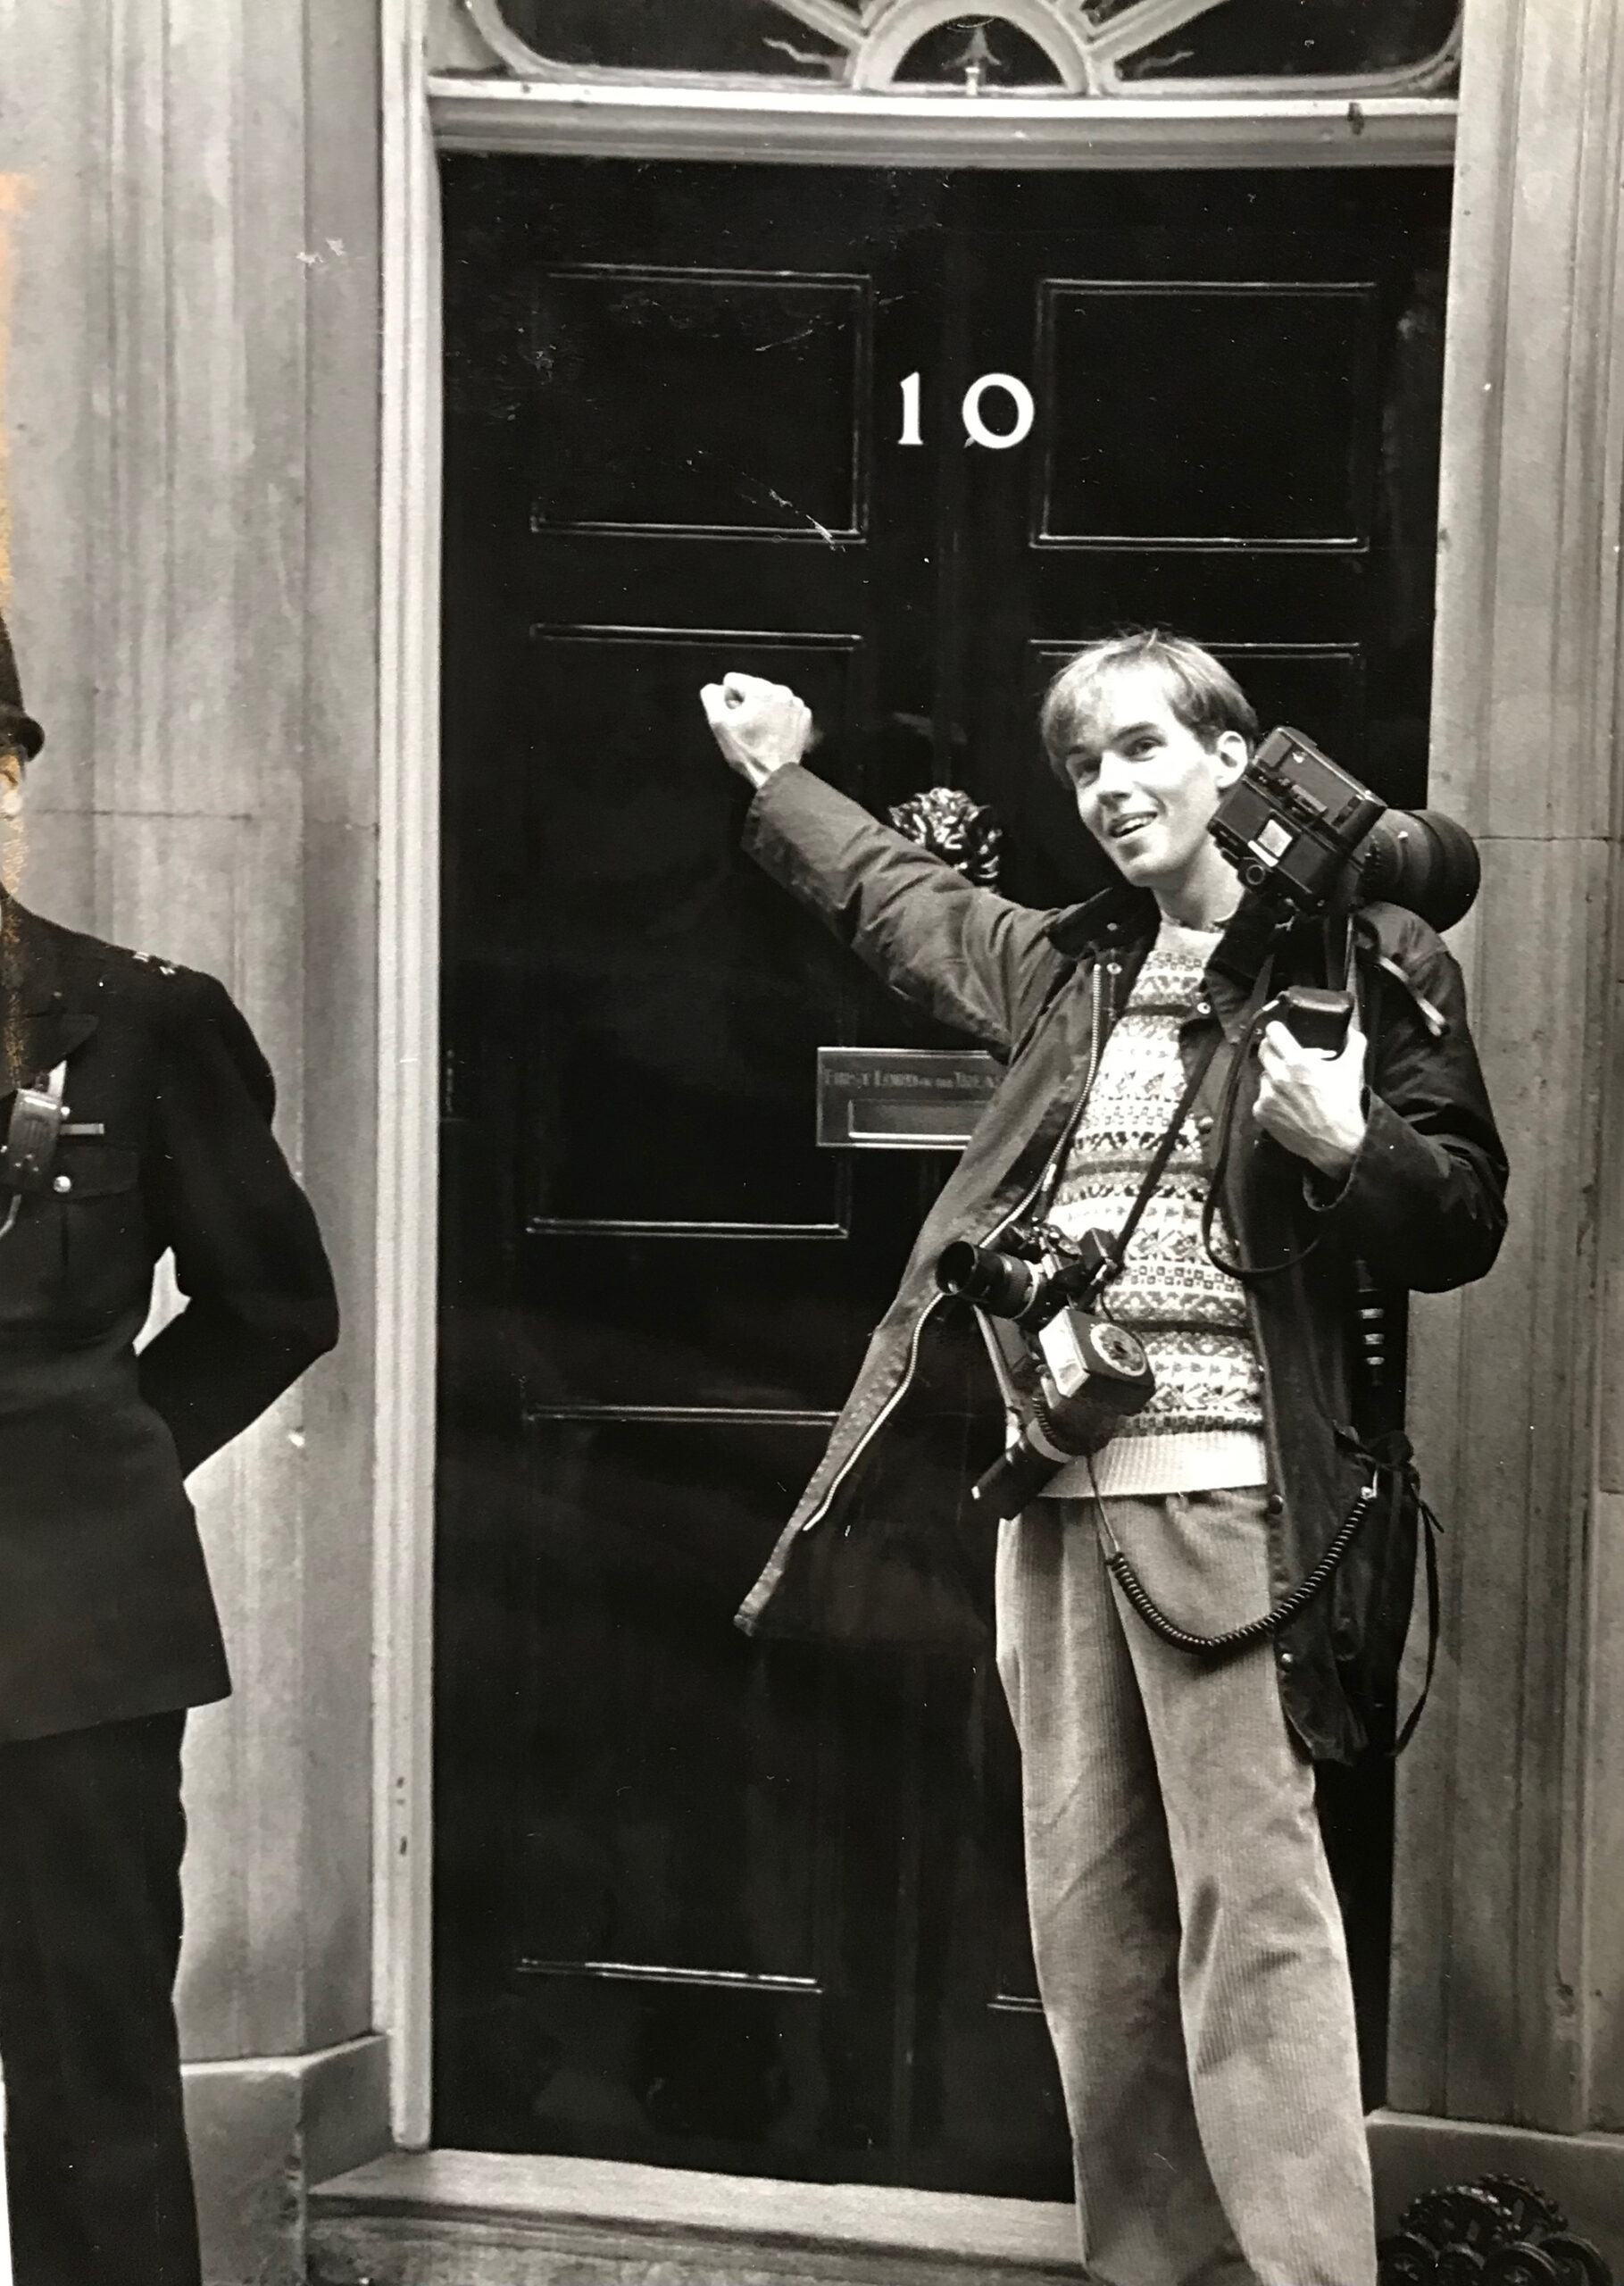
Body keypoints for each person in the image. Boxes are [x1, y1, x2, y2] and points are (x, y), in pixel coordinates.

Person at [700, 634, 1506, 2286]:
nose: (1109, 789)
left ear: (1234, 759)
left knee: (1252, 1922)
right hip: (1051, 1498)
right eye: (1080, 767)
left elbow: (1465, 1217)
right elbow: (897, 900)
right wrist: (777, 777)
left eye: (1141, 748)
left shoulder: (1361, 960)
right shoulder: (1069, 967)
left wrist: (1348, 1143)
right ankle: (1161, 2271)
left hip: (1227, 1501)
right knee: (1093, 1936)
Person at [0, 611, 339, 2286]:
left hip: (70, 1623)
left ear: (7, 772)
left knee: (89, 2072)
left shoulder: (133, 1021)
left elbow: (277, 1300)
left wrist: (109, 1449)